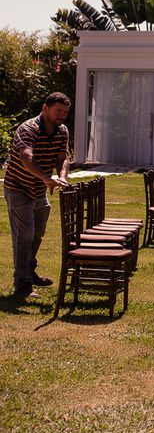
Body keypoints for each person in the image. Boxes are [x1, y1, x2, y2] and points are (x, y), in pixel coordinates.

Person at [5, 92, 72, 300]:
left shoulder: (62, 130)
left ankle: (29, 272)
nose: (62, 115)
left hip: (39, 189)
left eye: (65, 112)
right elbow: (26, 157)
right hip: (18, 188)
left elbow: (63, 157)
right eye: (58, 111)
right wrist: (45, 177)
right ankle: (21, 284)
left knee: (37, 234)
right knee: (24, 236)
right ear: (45, 108)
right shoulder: (28, 128)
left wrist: (61, 176)